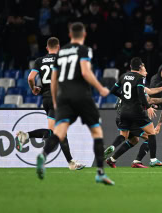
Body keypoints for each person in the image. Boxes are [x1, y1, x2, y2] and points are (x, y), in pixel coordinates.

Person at [36, 22, 114, 185]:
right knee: (96, 132)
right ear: (84, 35)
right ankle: (100, 172)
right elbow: (85, 72)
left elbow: (54, 79)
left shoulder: (62, 52)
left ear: (70, 36)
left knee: (59, 133)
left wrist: (57, 101)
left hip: (63, 97)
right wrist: (100, 88)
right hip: (81, 95)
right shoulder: (84, 50)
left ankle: (43, 155)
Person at [15, 37, 85, 171]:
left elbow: (30, 78)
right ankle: (25, 136)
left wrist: (34, 88)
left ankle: (71, 163)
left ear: (47, 48)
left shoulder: (39, 61)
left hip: (46, 99)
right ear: (58, 47)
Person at [105, 81, 162, 168]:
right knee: (149, 137)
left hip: (121, 116)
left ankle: (112, 159)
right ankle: (138, 161)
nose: (145, 72)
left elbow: (149, 91)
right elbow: (149, 100)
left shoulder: (128, 86)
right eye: (144, 69)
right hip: (130, 117)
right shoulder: (138, 86)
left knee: (134, 140)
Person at [110, 57, 162, 167]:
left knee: (128, 138)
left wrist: (124, 98)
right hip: (135, 112)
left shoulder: (123, 76)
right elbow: (142, 93)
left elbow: (112, 90)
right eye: (144, 67)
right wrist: (148, 106)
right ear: (140, 67)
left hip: (123, 113)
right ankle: (152, 159)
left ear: (130, 66)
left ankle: (112, 151)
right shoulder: (140, 78)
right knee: (151, 133)